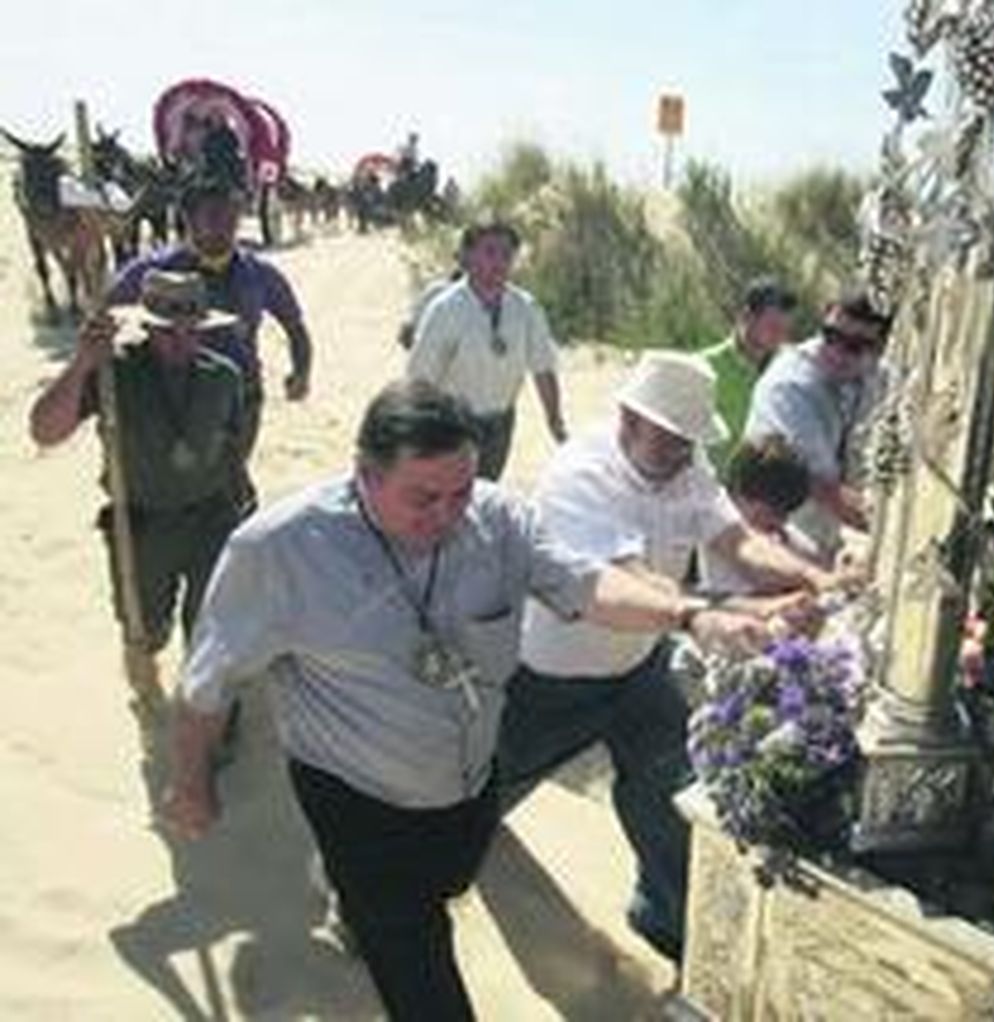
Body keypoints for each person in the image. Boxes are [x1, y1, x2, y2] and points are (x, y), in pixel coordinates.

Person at [162, 379, 770, 1021]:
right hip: (357, 799)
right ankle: (366, 909)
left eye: (461, 493)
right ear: (365, 473)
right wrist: (190, 783)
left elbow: (587, 584)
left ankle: (361, 903)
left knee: (448, 879)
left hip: (470, 783)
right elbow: (208, 684)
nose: (448, 515)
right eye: (422, 498)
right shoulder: (278, 551)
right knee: (420, 970)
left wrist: (689, 616)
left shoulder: (499, 521)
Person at [500, 350, 837, 960]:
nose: (683, 453)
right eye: (671, 439)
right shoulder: (580, 477)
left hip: (637, 671)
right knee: (475, 791)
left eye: (689, 442)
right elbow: (631, 587)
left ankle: (667, 917)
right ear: (628, 419)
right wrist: (739, 613)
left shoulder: (687, 467)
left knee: (668, 795)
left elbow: (737, 541)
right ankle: (387, 892)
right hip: (552, 678)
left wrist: (816, 581)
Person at [28, 271, 248, 699]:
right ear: (147, 325)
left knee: (210, 626)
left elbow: (232, 448)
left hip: (210, 517)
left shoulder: (224, 377)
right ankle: (145, 674)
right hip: (142, 525)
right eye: (168, 332)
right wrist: (82, 364)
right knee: (144, 629)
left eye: (192, 331)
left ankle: (211, 720)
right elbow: (44, 431)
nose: (181, 341)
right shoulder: (114, 373)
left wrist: (241, 504)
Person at [108, 173, 314, 489]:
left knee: (227, 479)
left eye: (233, 215)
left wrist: (301, 371)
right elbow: (104, 316)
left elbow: (295, 326)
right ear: (189, 219)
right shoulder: (153, 272)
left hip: (241, 398)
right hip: (170, 399)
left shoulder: (259, 274)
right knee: (175, 484)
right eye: (214, 215)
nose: (226, 225)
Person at [406, 222, 567, 480]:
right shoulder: (445, 310)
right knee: (455, 494)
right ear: (468, 256)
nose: (499, 262)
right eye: (490, 252)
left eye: (507, 254)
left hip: (501, 423)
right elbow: (420, 379)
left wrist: (554, 419)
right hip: (453, 424)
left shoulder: (526, 308)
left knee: (487, 490)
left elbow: (543, 367)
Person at [743, 289, 893, 562]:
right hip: (777, 539)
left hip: (829, 539)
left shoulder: (874, 375)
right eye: (831, 335)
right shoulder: (789, 387)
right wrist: (894, 531)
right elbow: (824, 488)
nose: (837, 352)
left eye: (854, 346)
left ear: (878, 348)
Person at [698, 435, 822, 595]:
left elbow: (813, 556)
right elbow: (761, 575)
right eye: (773, 513)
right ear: (738, 496)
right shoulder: (717, 521)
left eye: (786, 513)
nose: (780, 521)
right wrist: (812, 576)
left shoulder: (774, 528)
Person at [697, 277, 798, 471]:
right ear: (746, 317)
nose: (780, 337)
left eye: (786, 330)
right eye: (773, 327)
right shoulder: (704, 368)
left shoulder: (787, 374)